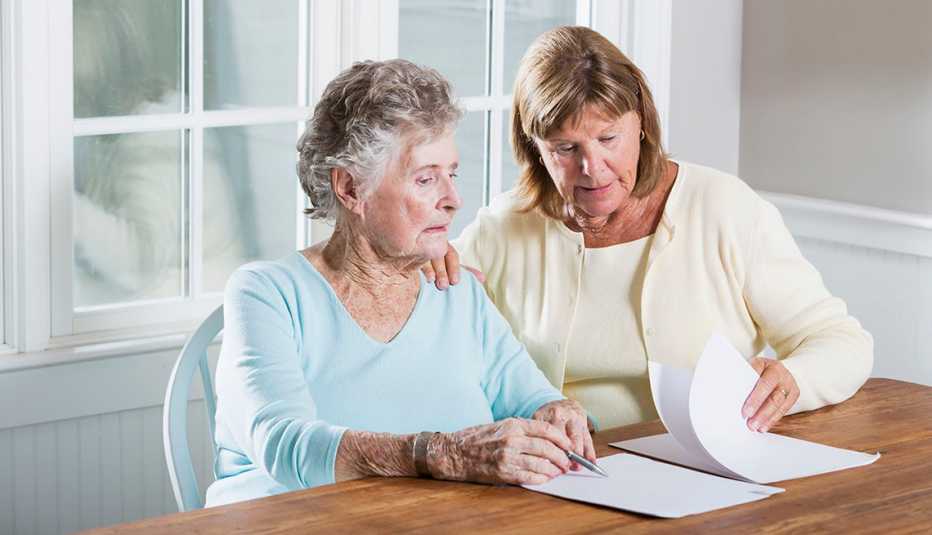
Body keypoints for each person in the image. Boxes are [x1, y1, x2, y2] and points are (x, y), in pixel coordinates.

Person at [427, 26, 873, 433]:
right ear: (534, 148)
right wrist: (422, 269)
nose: (592, 169)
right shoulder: (505, 227)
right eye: (566, 148)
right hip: (561, 471)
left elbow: (841, 343)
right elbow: (428, 330)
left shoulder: (725, 208)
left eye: (608, 139)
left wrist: (793, 379)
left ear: (641, 123)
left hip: (703, 465)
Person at [206, 59, 594, 507]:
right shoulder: (266, 293)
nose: (453, 200)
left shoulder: (455, 291)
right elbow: (284, 444)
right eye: (426, 178)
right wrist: (441, 454)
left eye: (452, 173)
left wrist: (559, 413)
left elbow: (532, 397)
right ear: (350, 188)